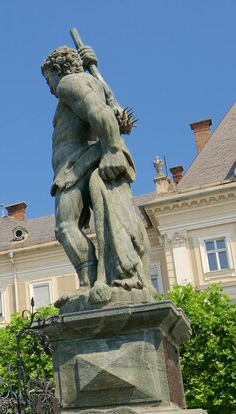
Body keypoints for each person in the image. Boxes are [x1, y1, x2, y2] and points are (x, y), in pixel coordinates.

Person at [41, 44, 153, 311]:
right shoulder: (94, 83)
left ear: (58, 70)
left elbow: (98, 112)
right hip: (82, 160)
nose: (50, 87)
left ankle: (88, 283)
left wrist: (113, 150)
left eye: (48, 79)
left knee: (66, 227)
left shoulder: (69, 83)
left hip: (77, 163)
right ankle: (94, 281)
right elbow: (115, 112)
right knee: (85, 223)